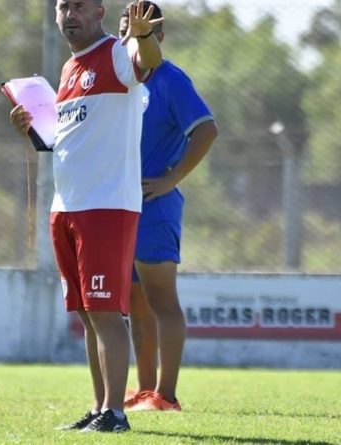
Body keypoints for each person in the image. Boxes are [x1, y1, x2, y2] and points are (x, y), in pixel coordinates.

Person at [9, 0, 163, 433]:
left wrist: (144, 35)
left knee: (107, 313)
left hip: (106, 206)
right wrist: (33, 130)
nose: (69, 14)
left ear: (98, 10)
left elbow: (147, 62)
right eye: (62, 6)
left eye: (78, 6)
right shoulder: (68, 69)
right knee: (88, 315)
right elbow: (66, 140)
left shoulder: (117, 52)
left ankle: (116, 414)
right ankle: (99, 408)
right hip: (67, 206)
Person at [118, 1, 218, 412]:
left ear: (157, 36)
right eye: (124, 30)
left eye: (141, 30)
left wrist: (171, 178)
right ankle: (145, 390)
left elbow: (207, 131)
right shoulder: (120, 81)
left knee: (161, 300)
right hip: (117, 207)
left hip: (154, 206)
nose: (131, 38)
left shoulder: (171, 79)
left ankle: (167, 395)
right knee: (135, 305)